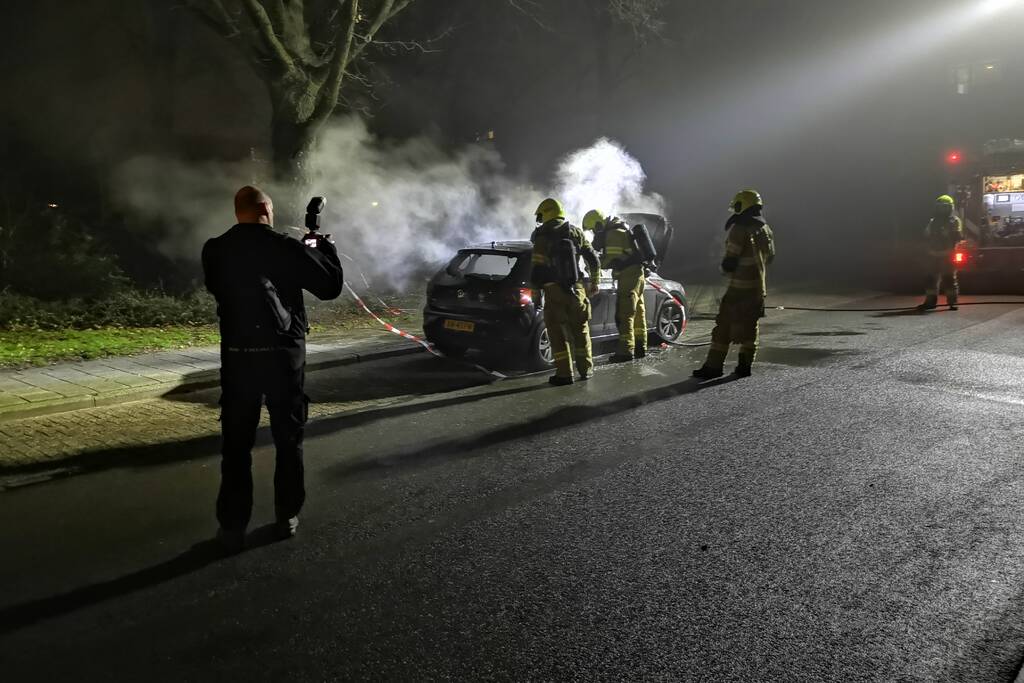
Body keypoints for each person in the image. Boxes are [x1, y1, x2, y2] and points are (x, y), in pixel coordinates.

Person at [202, 186, 344, 552]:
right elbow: (329, 287)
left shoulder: (214, 249)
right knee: (288, 438)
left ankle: (232, 526)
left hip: (238, 357)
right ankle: (286, 515)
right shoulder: (285, 247)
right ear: (266, 208)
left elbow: (217, 289)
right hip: (283, 358)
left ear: (238, 212)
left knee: (236, 445)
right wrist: (322, 247)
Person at [693, 189, 776, 380]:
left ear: (743, 205)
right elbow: (770, 257)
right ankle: (744, 366)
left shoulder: (739, 228)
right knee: (750, 327)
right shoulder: (765, 229)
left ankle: (713, 367)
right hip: (757, 289)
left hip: (739, 289)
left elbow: (730, 261)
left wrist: (724, 267)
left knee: (722, 327)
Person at [530, 198, 601, 385]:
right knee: (581, 330)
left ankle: (564, 374)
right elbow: (593, 259)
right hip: (577, 289)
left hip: (553, 291)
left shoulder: (541, 236)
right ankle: (586, 370)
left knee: (557, 334)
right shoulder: (575, 232)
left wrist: (536, 294)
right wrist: (595, 281)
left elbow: (537, 270)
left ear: (546, 213)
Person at [583, 209, 647, 362]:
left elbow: (610, 260)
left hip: (628, 276)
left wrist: (593, 265)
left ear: (598, 225)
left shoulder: (613, 234)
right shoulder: (619, 229)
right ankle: (640, 347)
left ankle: (625, 351)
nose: (593, 233)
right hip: (636, 275)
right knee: (638, 313)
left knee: (624, 315)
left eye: (593, 229)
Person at [917, 194, 963, 312]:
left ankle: (952, 302)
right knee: (930, 278)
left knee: (949, 279)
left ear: (950, 208)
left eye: (945, 207)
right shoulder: (933, 221)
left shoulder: (954, 221)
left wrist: (947, 234)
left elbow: (957, 236)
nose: (942, 209)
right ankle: (930, 302)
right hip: (933, 254)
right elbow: (926, 235)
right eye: (940, 207)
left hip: (948, 254)